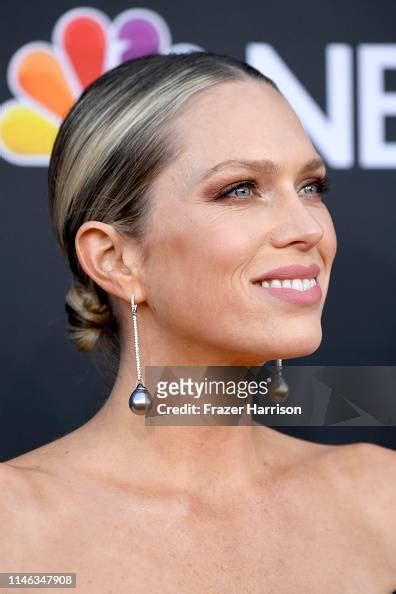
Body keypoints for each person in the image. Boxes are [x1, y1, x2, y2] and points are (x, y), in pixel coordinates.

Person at [1, 51, 395, 593]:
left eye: (311, 187)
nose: (307, 227)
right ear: (116, 260)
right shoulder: (14, 531)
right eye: (240, 190)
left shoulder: (379, 500)